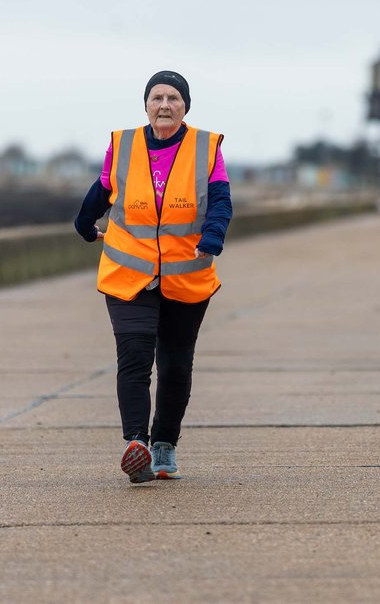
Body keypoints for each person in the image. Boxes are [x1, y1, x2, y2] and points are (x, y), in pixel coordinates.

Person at [75, 70, 232, 484]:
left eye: (174, 98)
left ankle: (163, 443)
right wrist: (84, 222)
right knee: (135, 356)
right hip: (130, 274)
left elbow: (220, 200)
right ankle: (136, 443)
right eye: (157, 97)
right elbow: (102, 190)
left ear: (185, 107)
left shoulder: (206, 147)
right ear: (146, 105)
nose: (165, 105)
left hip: (186, 275)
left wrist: (213, 236)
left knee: (176, 365)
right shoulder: (122, 145)